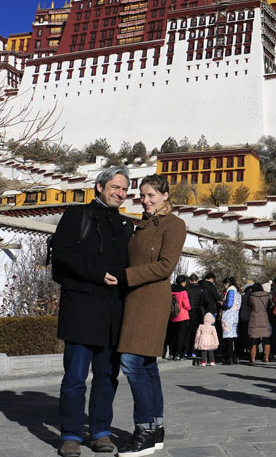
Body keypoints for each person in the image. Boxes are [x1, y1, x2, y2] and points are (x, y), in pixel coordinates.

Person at [52, 166, 132, 457]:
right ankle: (71, 435)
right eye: (115, 187)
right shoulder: (77, 216)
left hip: (113, 313)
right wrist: (98, 274)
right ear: (99, 187)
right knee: (74, 377)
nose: (120, 193)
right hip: (82, 309)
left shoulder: (125, 225)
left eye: (124, 189)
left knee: (106, 377)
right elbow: (64, 253)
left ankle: (100, 432)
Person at [115, 173, 187, 456]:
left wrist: (125, 276)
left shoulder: (175, 224)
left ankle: (143, 430)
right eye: (142, 195)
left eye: (151, 196)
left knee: (132, 363)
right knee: (146, 366)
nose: (144, 201)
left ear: (165, 196)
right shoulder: (141, 226)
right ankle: (156, 429)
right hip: (133, 299)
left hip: (151, 301)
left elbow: (166, 266)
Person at [247, 282, 272, 364]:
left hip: (254, 317)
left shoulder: (251, 296)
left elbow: (249, 305)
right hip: (264, 317)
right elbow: (269, 306)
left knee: (253, 339)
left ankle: (253, 358)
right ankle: (266, 357)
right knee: (266, 338)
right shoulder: (266, 296)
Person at [184, 274, 207, 360]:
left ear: (190, 281)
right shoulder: (201, 289)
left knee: (187, 333)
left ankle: (186, 351)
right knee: (196, 333)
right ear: (197, 280)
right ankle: (194, 351)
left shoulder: (187, 289)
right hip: (198, 313)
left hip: (189, 312)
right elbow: (205, 301)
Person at [168, 276, 191, 360]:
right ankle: (179, 353)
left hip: (173, 315)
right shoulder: (183, 291)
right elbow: (187, 305)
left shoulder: (171, 290)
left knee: (174, 335)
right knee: (181, 336)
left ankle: (172, 353)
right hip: (182, 316)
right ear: (183, 282)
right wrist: (189, 308)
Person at [220, 277, 241, 365]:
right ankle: (235, 357)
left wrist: (222, 304)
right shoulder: (238, 291)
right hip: (235, 316)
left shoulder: (231, 290)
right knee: (234, 337)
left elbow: (229, 304)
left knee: (228, 338)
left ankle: (229, 358)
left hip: (229, 316)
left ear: (227, 284)